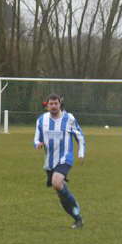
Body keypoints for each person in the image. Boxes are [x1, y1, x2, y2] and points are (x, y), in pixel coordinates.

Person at [34, 93, 85, 229]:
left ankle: (76, 211)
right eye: (51, 104)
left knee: (56, 182)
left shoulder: (69, 118)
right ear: (47, 106)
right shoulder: (41, 120)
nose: (54, 106)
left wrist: (80, 153)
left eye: (56, 103)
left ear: (59, 104)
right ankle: (77, 218)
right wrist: (38, 143)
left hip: (65, 158)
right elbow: (37, 138)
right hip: (50, 162)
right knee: (59, 192)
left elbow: (80, 136)